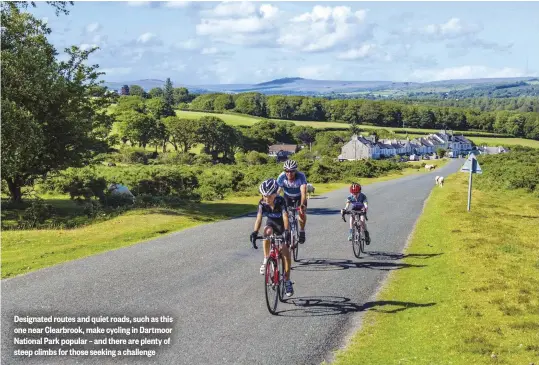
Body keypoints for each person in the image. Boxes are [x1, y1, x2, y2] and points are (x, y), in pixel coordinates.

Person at [250, 178, 294, 297]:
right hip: (271, 224)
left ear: (275, 194)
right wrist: (254, 232)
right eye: (264, 196)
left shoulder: (281, 201)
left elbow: (285, 217)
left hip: (282, 225)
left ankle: (287, 280)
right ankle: (266, 259)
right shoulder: (262, 203)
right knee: (266, 231)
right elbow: (259, 218)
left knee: (285, 252)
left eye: (269, 196)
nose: (266, 198)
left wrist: (286, 231)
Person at [276, 159, 308, 244]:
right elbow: (277, 191)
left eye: (292, 171)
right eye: (287, 171)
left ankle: (302, 231)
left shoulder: (301, 176)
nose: (289, 173)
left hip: (299, 197)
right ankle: (288, 231)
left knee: (301, 213)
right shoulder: (282, 176)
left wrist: (302, 205)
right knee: (285, 214)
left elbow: (303, 192)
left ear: (295, 171)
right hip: (287, 197)